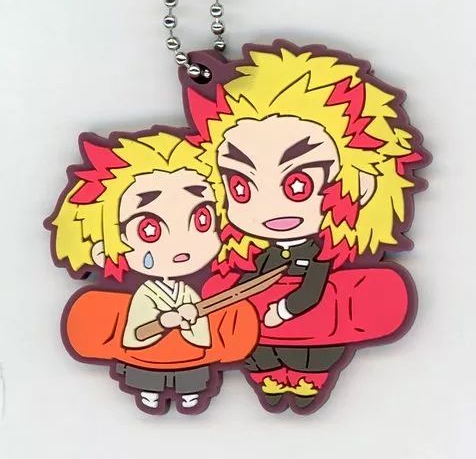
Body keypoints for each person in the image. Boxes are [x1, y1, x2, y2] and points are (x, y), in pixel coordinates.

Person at [186, 44, 426, 412]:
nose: (269, 207)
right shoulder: (257, 251)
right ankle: (270, 376)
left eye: (297, 183)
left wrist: (284, 310)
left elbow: (312, 287)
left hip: (313, 331)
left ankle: (304, 380)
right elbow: (246, 280)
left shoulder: (320, 253)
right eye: (242, 187)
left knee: (311, 357)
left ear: (361, 182)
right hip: (261, 333)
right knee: (259, 351)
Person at [48, 132, 259, 413]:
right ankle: (149, 389)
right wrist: (163, 320)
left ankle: (189, 390)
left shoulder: (189, 290)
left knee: (191, 375)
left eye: (202, 219)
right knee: (147, 375)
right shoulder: (144, 293)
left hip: (190, 355)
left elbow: (202, 332)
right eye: (150, 229)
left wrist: (191, 318)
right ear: (105, 244)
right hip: (146, 354)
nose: (181, 243)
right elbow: (136, 330)